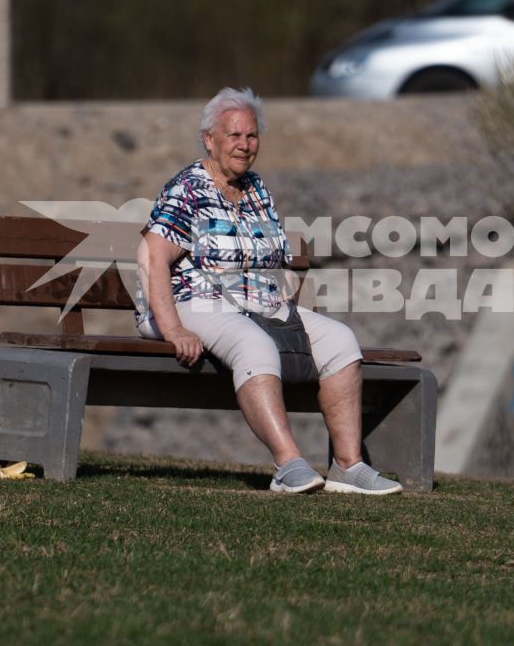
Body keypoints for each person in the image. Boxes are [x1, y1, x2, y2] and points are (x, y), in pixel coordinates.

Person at [135, 87, 402, 496]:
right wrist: (173, 330)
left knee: (341, 342)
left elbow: (269, 258)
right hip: (195, 303)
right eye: (233, 136)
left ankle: (348, 465)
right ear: (209, 139)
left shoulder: (257, 189)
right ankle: (288, 464)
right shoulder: (188, 189)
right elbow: (152, 256)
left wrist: (285, 300)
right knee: (255, 345)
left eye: (252, 135)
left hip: (256, 305)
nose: (244, 145)